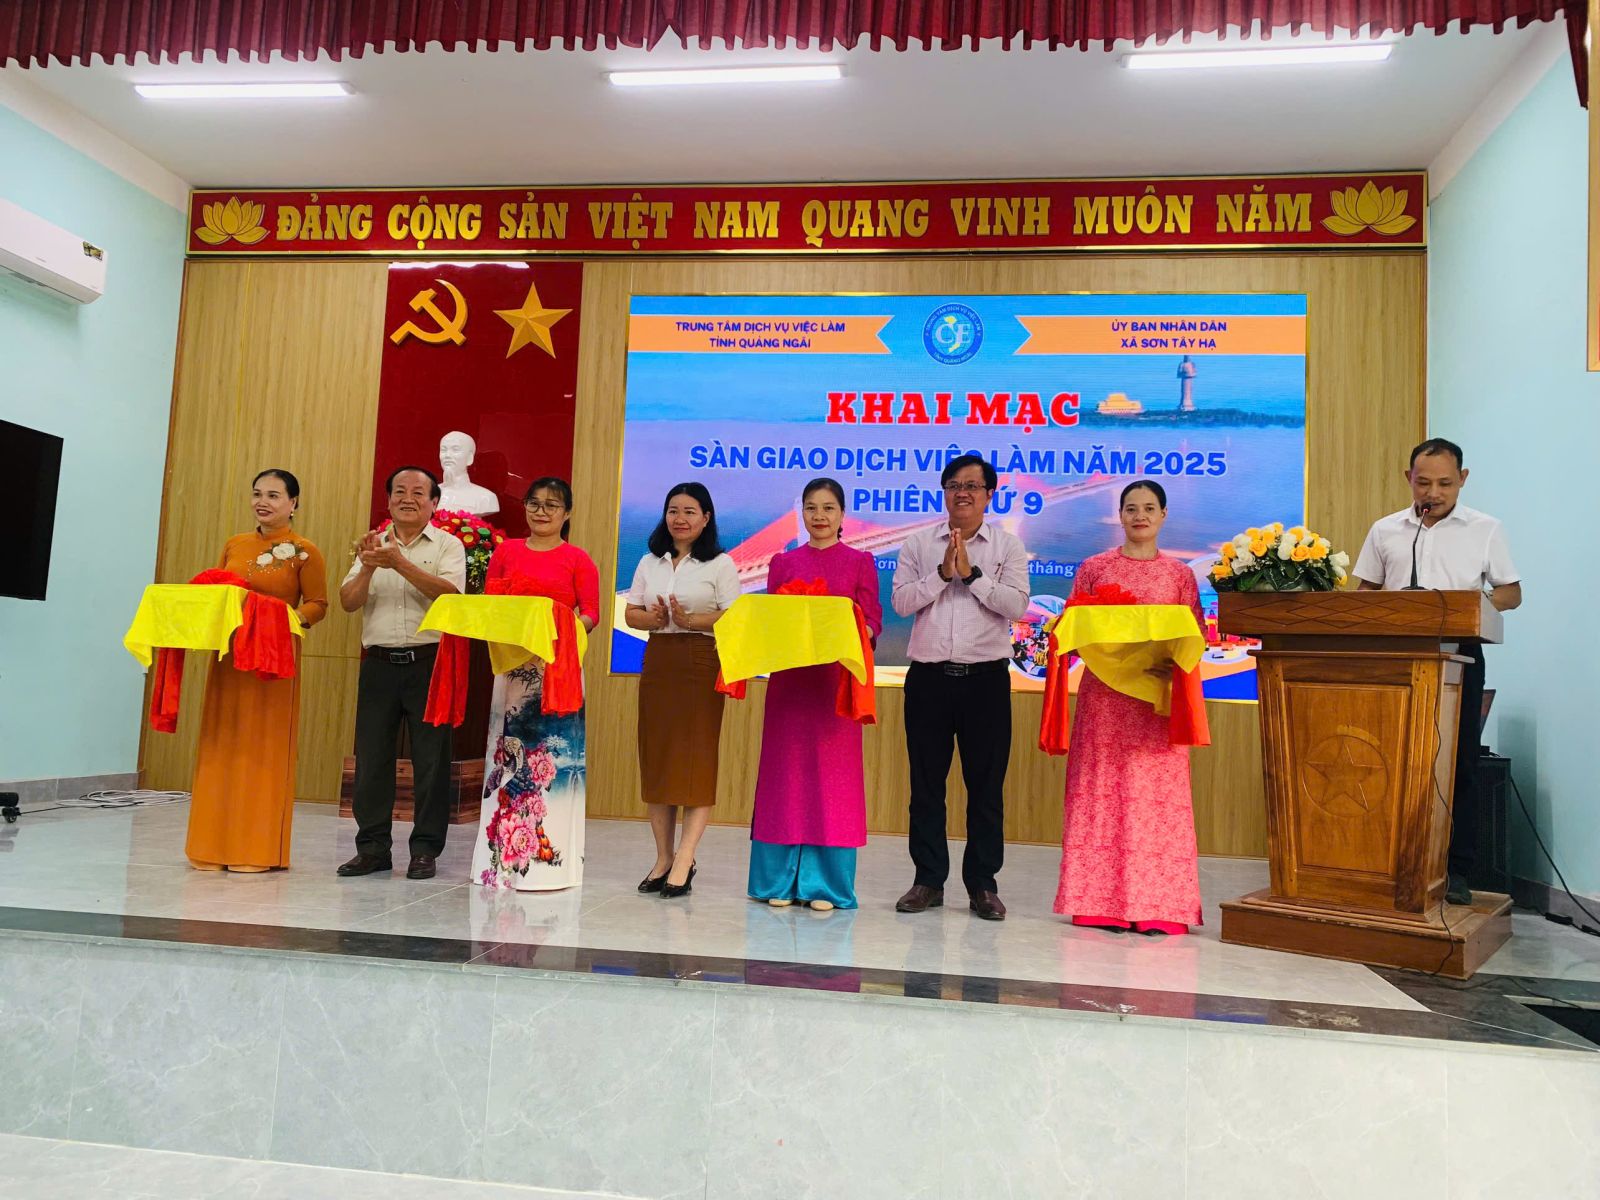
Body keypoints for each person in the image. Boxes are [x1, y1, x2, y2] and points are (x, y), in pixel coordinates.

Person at [1352, 437, 1521, 904]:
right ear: (1408, 478)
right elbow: (1366, 593)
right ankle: (1386, 861)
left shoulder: (1485, 529)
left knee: (1457, 761)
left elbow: (1511, 592)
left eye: (1445, 483)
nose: (1433, 492)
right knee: (1388, 757)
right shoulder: (1386, 530)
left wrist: (1476, 605)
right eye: (1423, 482)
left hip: (1459, 656)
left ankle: (1456, 869)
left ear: (1462, 480)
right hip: (1394, 658)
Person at [1053, 480, 1204, 934]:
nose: (1140, 516)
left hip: (1157, 698)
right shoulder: (1094, 568)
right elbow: (1073, 627)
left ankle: (1161, 905)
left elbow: (1195, 634)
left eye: (1149, 508)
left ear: (1163, 515)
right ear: (1120, 515)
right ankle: (1098, 903)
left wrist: (1169, 662)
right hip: (1104, 698)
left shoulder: (1179, 575)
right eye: (1131, 508)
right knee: (1101, 791)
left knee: (1157, 801)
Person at [890, 453, 1028, 920]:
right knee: (926, 787)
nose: (962, 493)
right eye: (953, 485)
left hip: (985, 681)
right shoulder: (917, 543)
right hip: (928, 680)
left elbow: (1017, 607)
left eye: (972, 485)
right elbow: (901, 603)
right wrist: (940, 574)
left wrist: (971, 575)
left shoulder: (1007, 546)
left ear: (990, 494)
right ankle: (928, 880)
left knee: (985, 788)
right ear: (944, 493)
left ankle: (983, 885)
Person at [748, 478, 883, 911]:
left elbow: (873, 621)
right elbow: (772, 620)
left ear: (842, 515)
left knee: (832, 781)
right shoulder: (782, 563)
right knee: (785, 777)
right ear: (801, 513)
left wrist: (853, 630)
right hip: (790, 684)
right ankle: (778, 879)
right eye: (811, 507)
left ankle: (825, 884)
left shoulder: (860, 562)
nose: (819, 516)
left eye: (828, 508)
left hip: (834, 687)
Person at [186, 469, 328, 872]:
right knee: (221, 742)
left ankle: (254, 849)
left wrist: (285, 620)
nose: (262, 502)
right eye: (257, 494)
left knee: (262, 748)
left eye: (274, 495)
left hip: (273, 657)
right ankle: (210, 846)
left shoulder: (304, 551)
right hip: (231, 655)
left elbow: (318, 604)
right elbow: (217, 592)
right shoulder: (235, 543)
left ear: (293, 503)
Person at [336, 466, 467, 881]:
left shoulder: (448, 545)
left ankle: (425, 850)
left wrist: (398, 563)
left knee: (431, 762)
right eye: (399, 491)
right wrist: (369, 566)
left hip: (429, 664)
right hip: (378, 665)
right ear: (388, 499)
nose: (407, 498)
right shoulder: (372, 544)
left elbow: (451, 596)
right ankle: (372, 849)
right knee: (372, 760)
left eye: (417, 492)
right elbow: (348, 601)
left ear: (434, 502)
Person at [471, 478, 599, 891]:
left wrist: (561, 633)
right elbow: (492, 606)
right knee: (507, 761)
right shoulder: (506, 552)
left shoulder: (578, 559)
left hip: (557, 670)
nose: (541, 512)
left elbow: (591, 614)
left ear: (567, 513)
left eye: (552, 505)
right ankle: (499, 864)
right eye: (534, 503)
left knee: (555, 765)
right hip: (512, 671)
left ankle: (551, 865)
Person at [624, 482, 740, 899]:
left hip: (701, 661)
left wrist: (690, 620)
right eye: (673, 510)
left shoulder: (721, 564)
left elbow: (734, 618)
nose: (680, 518)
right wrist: (654, 619)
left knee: (695, 760)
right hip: (659, 659)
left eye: (690, 511)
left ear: (706, 518)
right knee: (658, 757)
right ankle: (663, 858)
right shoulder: (649, 561)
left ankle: (686, 858)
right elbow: (631, 613)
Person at [437, 430, 500, 515]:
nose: (447, 455)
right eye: (443, 450)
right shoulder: (428, 494)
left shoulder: (485, 498)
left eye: (455, 450)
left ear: (470, 457)